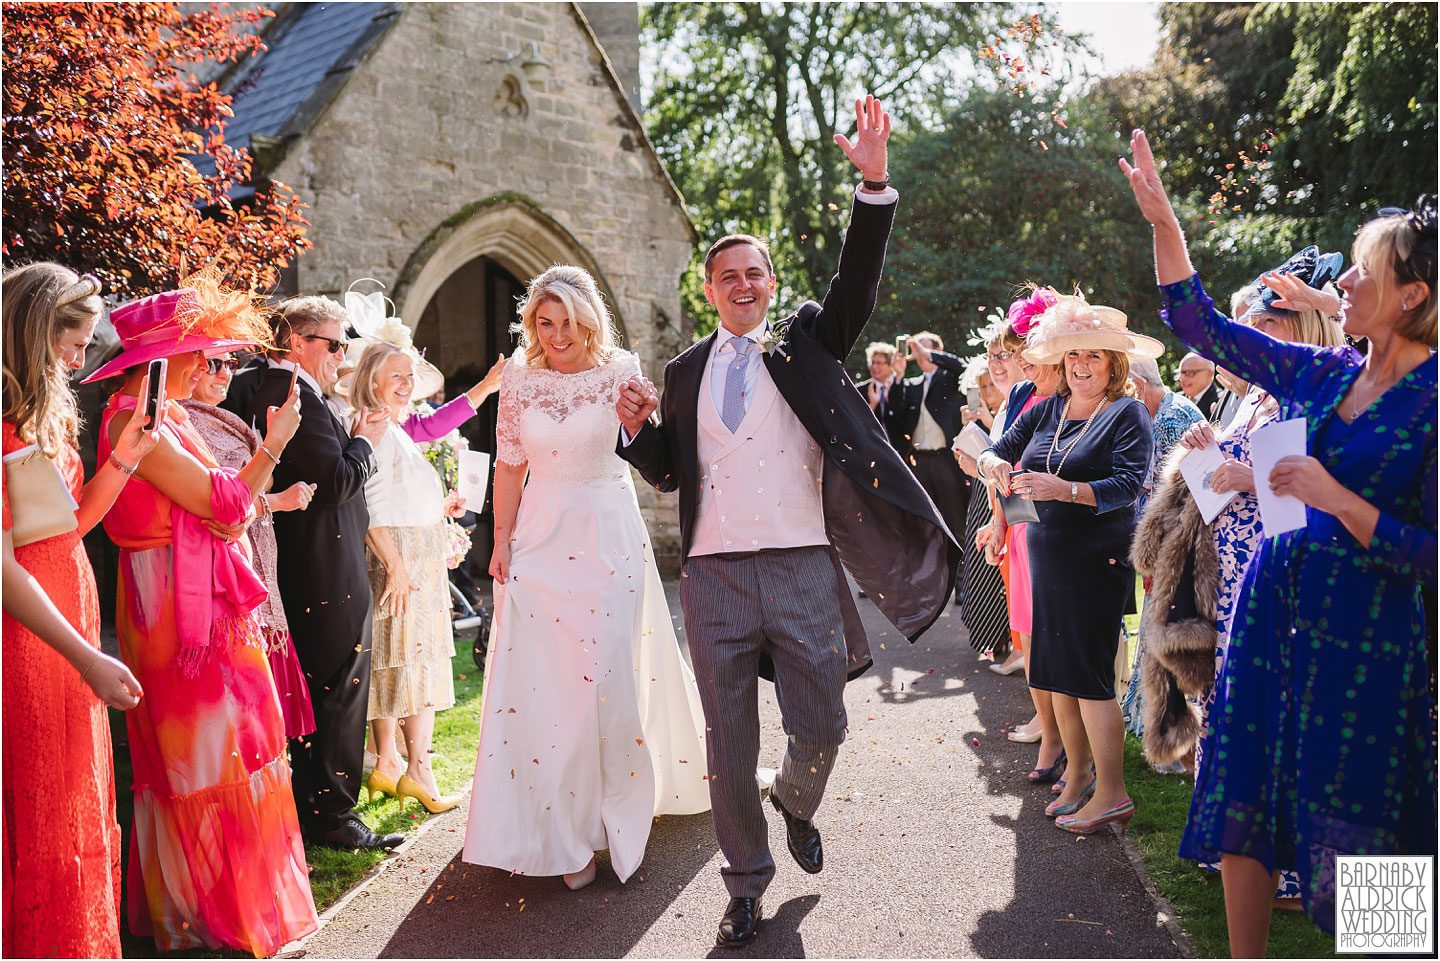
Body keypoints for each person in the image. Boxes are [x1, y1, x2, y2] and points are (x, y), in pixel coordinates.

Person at [616, 95, 958, 948]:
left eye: (755, 273)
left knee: (825, 724)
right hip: (712, 573)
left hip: (805, 564)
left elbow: (858, 284)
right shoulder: (684, 370)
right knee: (727, 741)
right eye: (727, 275)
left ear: (770, 284)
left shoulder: (806, 342)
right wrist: (637, 431)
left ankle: (795, 799)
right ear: (709, 288)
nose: (742, 284)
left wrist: (873, 183)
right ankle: (745, 884)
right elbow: (669, 469)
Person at [1124, 130, 1436, 951]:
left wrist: (1339, 499)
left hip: (1370, 641)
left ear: (1413, 295)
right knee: (1244, 801)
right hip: (1273, 611)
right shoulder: (1325, 373)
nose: (1345, 280)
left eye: (1367, 268)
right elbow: (1200, 322)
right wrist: (1164, 221)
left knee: (1372, 827)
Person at [85, 275, 319, 954]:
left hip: (199, 600)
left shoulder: (171, 413)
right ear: (167, 358)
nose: (216, 365)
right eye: (205, 352)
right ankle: (210, 921)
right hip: (174, 612)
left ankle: (232, 913)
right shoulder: (136, 421)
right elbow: (226, 507)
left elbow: (224, 507)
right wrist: (275, 443)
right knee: (202, 762)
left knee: (236, 748)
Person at [462, 265, 710, 890]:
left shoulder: (620, 371)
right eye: (545, 323)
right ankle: (561, 832)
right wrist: (502, 542)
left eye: (568, 323)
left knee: (602, 677)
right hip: (540, 539)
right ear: (533, 326)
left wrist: (644, 421)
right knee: (551, 686)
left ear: (589, 320)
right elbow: (510, 467)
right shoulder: (518, 379)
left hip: (607, 535)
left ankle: (610, 814)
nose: (558, 335)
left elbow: (649, 449)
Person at [1134, 248, 1348, 908]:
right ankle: (1255, 865)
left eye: (1260, 325)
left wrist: (1245, 473)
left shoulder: (1330, 391)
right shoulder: (1267, 393)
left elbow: (1327, 487)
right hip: (1245, 575)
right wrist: (1213, 460)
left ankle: (1306, 880)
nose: (1245, 339)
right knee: (1248, 716)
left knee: (1339, 748)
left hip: (1313, 584)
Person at [0, 263, 155, 958]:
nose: (79, 359)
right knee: (42, 811)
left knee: (78, 804)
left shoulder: (45, 416)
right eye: (71, 345)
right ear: (33, 334)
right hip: (33, 640)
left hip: (72, 623)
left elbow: (67, 526)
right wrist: (85, 655)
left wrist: (122, 461)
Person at [979, 293, 1159, 834]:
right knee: (1058, 675)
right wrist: (992, 465)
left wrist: (1066, 489)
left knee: (1090, 680)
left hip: (1095, 562)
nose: (1081, 366)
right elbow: (1002, 447)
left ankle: (1114, 793)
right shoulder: (1050, 406)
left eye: (1095, 357)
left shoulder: (1126, 413)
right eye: (1074, 356)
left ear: (1115, 364)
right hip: (1047, 558)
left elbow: (1127, 486)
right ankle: (1079, 776)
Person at [233, 295, 403, 851]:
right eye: (333, 344)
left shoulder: (287, 389)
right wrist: (364, 442)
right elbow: (333, 483)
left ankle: (317, 806)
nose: (341, 354)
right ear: (297, 344)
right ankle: (333, 814)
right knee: (339, 681)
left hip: (317, 557)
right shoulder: (289, 392)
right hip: (321, 565)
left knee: (326, 682)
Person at [349, 338, 469, 814]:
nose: (406, 383)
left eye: (409, 376)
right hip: (400, 560)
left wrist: (439, 508)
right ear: (373, 381)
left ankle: (390, 763)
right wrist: (396, 568)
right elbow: (368, 506)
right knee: (412, 657)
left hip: (414, 551)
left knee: (400, 656)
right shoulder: (376, 426)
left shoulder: (390, 427)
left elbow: (393, 496)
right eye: (396, 375)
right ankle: (416, 768)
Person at [181, 354, 318, 741]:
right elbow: (217, 512)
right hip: (224, 578)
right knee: (244, 727)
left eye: (231, 363)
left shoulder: (225, 419)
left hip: (254, 563)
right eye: (212, 363)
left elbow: (251, 485)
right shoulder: (185, 424)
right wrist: (278, 500)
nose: (225, 372)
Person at [954, 325, 1019, 659]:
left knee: (1002, 582)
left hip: (1006, 500)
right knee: (984, 571)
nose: (987, 389)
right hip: (988, 501)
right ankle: (998, 642)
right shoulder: (999, 413)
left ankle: (1012, 646)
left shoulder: (1012, 409)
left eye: (1003, 356)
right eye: (991, 358)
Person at [890, 330, 971, 563]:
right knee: (921, 522)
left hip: (945, 460)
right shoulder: (912, 385)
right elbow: (896, 413)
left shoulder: (951, 378)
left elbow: (961, 366)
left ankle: (962, 580)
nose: (920, 353)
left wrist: (929, 353)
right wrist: (898, 376)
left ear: (938, 351)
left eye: (925, 348)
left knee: (955, 521)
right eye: (918, 349)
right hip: (918, 461)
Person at [855, 340, 908, 449]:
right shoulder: (860, 390)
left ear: (891, 365)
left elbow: (903, 417)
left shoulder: (902, 385)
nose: (874, 367)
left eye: (879, 363)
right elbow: (857, 423)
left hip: (899, 451)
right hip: (871, 448)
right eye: (872, 362)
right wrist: (873, 405)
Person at [1177, 352, 1220, 419]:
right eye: (1181, 373)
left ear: (1209, 374)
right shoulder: (1175, 400)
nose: (1183, 378)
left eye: (1189, 373)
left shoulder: (1220, 402)